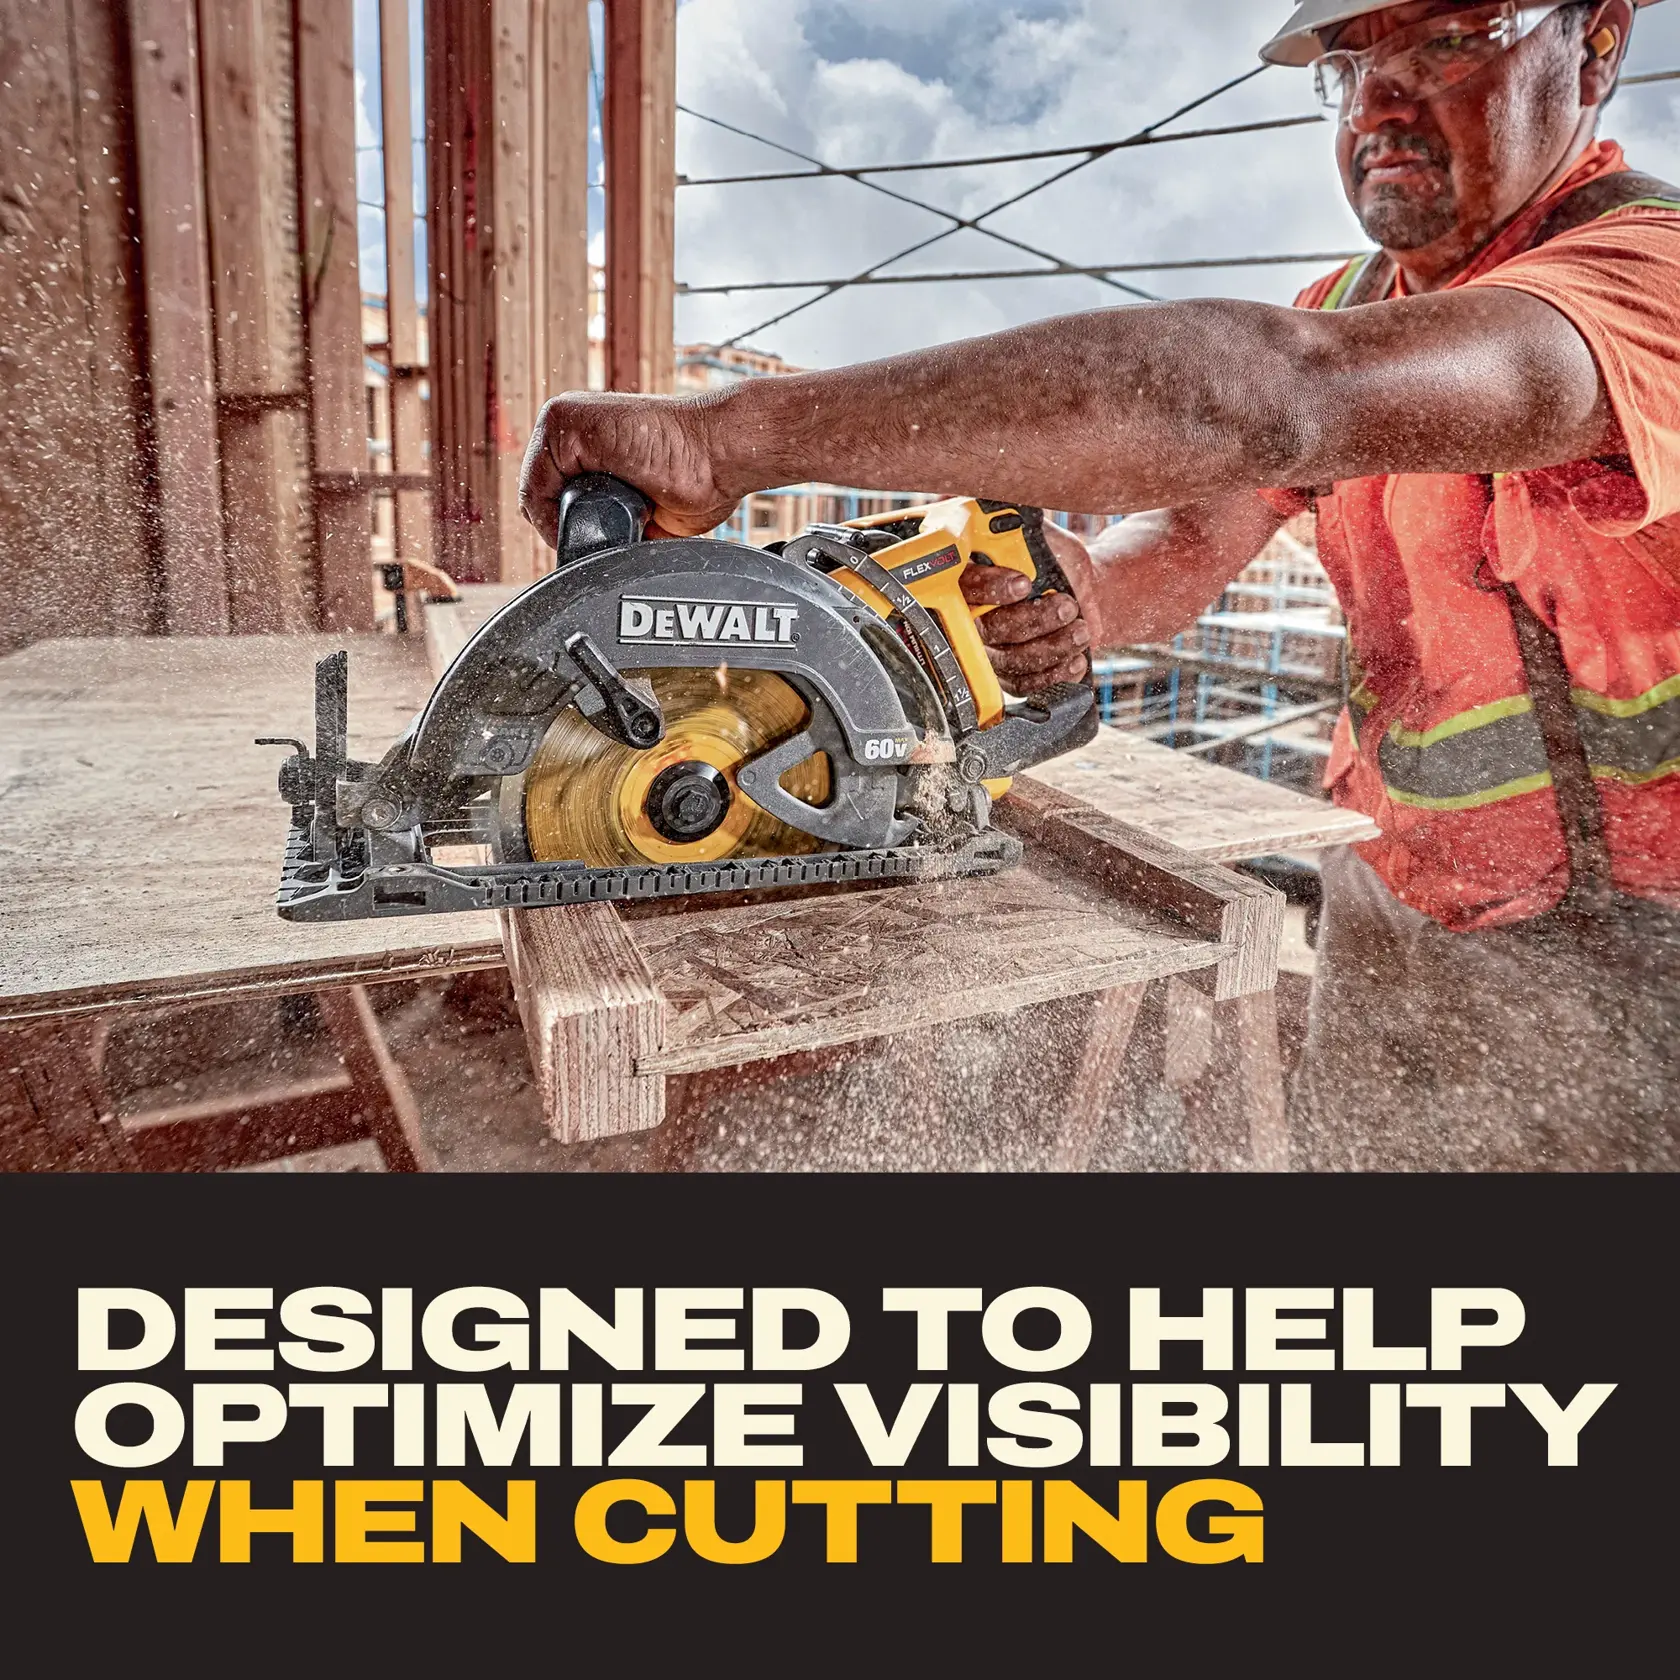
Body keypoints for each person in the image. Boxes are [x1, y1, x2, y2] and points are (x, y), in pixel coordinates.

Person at [520, 0, 1680, 1171]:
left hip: (1631, 944)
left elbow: (1272, 398)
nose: (1380, 99)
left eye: (1446, 42)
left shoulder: (1647, 278)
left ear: (1596, 43)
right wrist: (1088, 591)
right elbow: (1192, 536)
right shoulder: (1350, 305)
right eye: (1349, 65)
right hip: (1389, 891)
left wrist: (729, 437)